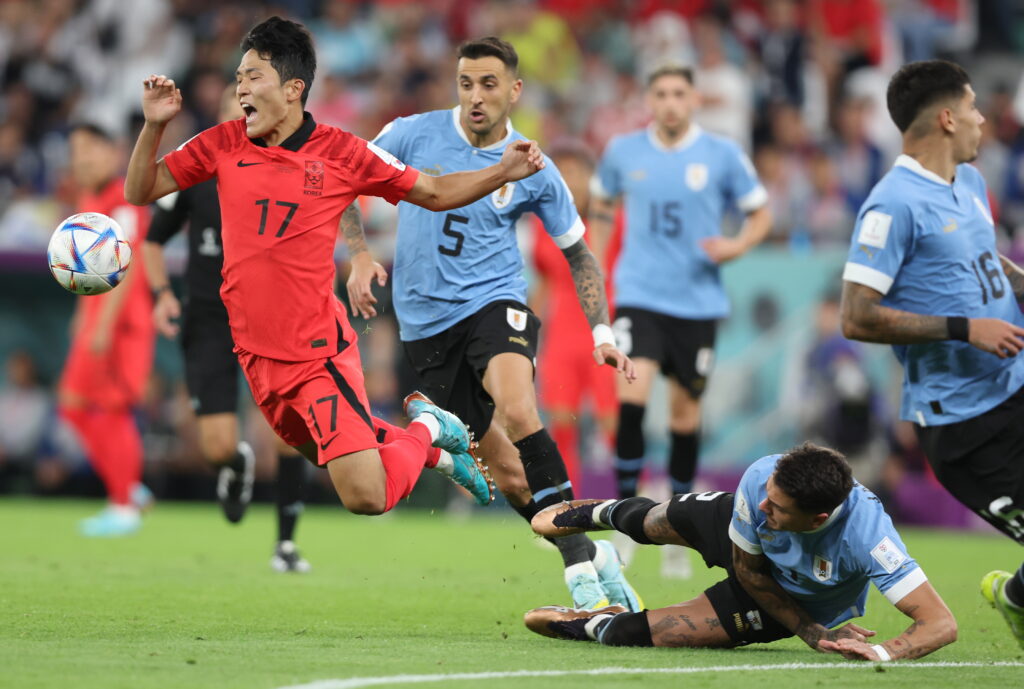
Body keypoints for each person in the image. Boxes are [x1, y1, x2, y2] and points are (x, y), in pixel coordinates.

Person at [123, 16, 552, 519]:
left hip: (316, 357)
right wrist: (154, 126)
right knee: (332, 456)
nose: (241, 88)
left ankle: (429, 428)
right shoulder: (221, 142)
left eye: (254, 76)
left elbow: (433, 192)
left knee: (366, 496)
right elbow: (140, 190)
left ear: (293, 89)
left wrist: (502, 170)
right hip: (256, 356)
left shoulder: (342, 151)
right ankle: (436, 452)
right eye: (239, 77)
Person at [348, 37, 641, 612]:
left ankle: (579, 574)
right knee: (510, 476)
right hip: (425, 329)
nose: (476, 96)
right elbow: (344, 179)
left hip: (494, 303)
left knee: (519, 408)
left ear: (514, 90)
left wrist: (602, 334)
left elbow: (580, 254)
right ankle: (595, 555)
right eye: (466, 83)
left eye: (488, 84)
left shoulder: (533, 166)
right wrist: (359, 255)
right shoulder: (411, 134)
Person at [839, 59, 1024, 649]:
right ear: (947, 118)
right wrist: (965, 329)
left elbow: (982, 260)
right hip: (966, 425)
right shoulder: (891, 204)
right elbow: (856, 315)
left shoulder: (968, 182)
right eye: (972, 107)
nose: (981, 118)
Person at [524, 443, 958, 662]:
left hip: (788, 601)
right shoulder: (759, 483)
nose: (765, 505)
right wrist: (810, 633)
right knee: (650, 523)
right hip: (741, 541)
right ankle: (597, 512)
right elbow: (747, 569)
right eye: (769, 493)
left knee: (632, 635)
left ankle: (597, 619)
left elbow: (940, 623)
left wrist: (881, 652)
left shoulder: (868, 538)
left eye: (779, 507)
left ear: (817, 519)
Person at [589, 64, 772, 575]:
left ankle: (676, 528)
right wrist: (597, 262)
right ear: (649, 101)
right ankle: (624, 522)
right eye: (661, 93)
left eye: (678, 93)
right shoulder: (624, 151)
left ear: (694, 100)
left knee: (684, 419)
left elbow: (761, 213)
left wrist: (737, 245)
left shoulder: (721, 155)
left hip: (696, 304)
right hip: (639, 296)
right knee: (631, 401)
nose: (670, 102)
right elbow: (600, 204)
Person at [142, 85, 317, 572]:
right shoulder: (194, 172)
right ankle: (236, 464)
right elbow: (152, 240)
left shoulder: (285, 172)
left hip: (271, 317)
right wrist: (162, 294)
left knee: (289, 431)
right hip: (209, 318)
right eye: (232, 110)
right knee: (216, 446)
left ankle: (285, 544)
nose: (241, 118)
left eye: (248, 110)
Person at [58, 123, 155, 537]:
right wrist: (83, 316)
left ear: (110, 152)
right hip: (96, 322)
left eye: (88, 148)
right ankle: (127, 486)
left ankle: (123, 506)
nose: (80, 158)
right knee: (72, 405)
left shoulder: (125, 197)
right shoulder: (88, 199)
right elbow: (85, 271)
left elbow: (125, 264)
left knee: (113, 410)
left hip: (121, 325)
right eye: (75, 149)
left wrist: (103, 324)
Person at [529, 139, 619, 489]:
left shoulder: (611, 218)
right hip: (561, 335)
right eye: (561, 172)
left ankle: (641, 496)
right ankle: (568, 504)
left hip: (604, 326)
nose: (569, 179)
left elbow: (611, 264)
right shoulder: (543, 223)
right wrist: (525, 329)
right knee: (562, 423)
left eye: (576, 171)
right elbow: (545, 280)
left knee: (613, 422)